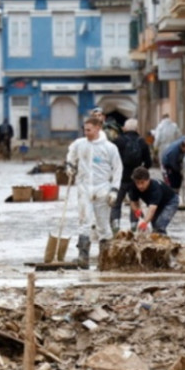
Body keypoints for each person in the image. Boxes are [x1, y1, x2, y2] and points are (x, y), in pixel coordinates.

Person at [65, 115, 122, 269]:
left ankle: (106, 260)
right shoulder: (80, 144)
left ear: (98, 128)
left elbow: (118, 170)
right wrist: (70, 166)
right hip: (84, 188)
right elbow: (71, 153)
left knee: (103, 226)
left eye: (89, 130)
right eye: (84, 129)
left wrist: (114, 190)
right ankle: (83, 259)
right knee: (84, 223)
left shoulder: (109, 148)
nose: (86, 132)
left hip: (102, 189)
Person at [112, 118, 152, 233]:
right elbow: (148, 162)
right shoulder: (142, 142)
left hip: (120, 177)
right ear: (137, 129)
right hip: (136, 179)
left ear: (125, 128)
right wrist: (141, 173)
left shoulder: (118, 141)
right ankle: (134, 225)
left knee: (116, 203)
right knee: (134, 202)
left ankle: (115, 225)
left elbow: (112, 160)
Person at [127, 166, 180, 235]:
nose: (140, 186)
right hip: (156, 204)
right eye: (137, 183)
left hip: (170, 202)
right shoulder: (133, 187)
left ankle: (162, 242)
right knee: (154, 225)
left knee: (159, 225)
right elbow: (133, 202)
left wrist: (144, 222)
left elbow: (152, 209)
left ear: (148, 180)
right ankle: (157, 239)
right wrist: (138, 212)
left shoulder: (155, 188)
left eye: (142, 182)